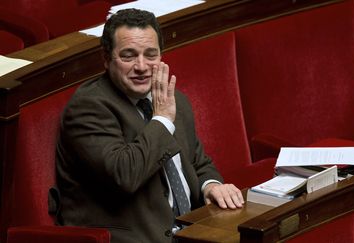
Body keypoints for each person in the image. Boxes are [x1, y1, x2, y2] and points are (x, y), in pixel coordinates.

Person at [53, 8, 244, 243]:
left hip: (193, 230)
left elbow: (197, 161)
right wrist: (162, 120)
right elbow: (124, 174)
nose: (142, 66)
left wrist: (210, 185)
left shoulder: (171, 100)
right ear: (106, 59)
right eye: (129, 56)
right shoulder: (87, 108)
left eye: (150, 55)